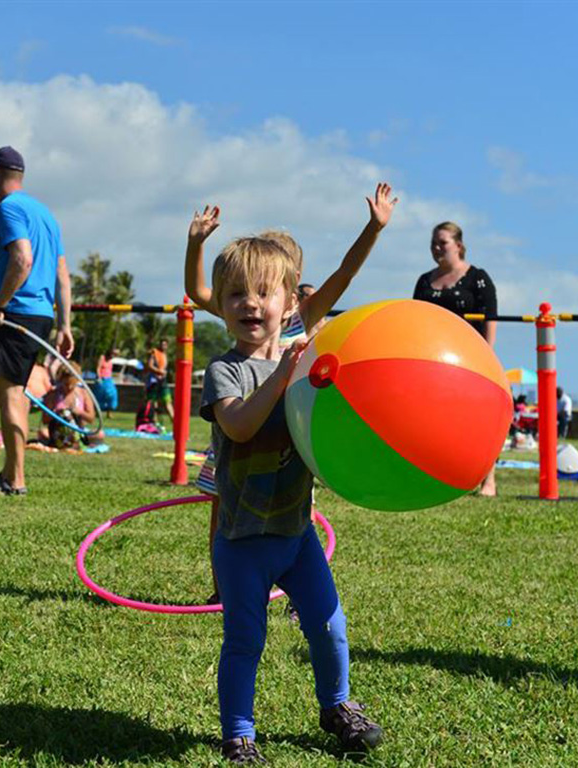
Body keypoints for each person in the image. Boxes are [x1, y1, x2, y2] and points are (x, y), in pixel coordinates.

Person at [200, 236, 383, 764]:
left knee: (330, 625)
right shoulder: (225, 371)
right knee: (245, 641)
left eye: (262, 292)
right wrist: (282, 375)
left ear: (288, 302)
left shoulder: (307, 362)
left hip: (296, 533)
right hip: (241, 540)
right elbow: (238, 426)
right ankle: (238, 733)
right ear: (221, 306)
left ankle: (337, 707)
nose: (249, 303)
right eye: (235, 294)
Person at [186, 184, 398, 606]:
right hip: (240, 432)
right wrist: (195, 245)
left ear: (290, 286)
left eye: (267, 287)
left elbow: (344, 274)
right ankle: (225, 587)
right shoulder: (241, 314)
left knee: (297, 513)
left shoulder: (301, 318)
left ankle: (297, 588)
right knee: (225, 510)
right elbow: (198, 293)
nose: (253, 299)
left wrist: (373, 229)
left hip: (288, 441)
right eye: (245, 287)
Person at [0, 146, 73, 495]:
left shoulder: (9, 208)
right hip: (42, 315)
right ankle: (9, 473)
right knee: (19, 394)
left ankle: (15, 479)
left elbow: (22, 260)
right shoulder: (46, 214)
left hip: (17, 313)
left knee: (9, 394)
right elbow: (61, 273)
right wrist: (65, 325)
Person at [413, 221, 499, 495]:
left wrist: (487, 359)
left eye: (442, 242)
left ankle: (489, 479)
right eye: (433, 243)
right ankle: (431, 472)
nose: (436, 248)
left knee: (480, 419)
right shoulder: (425, 281)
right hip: (430, 361)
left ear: (458, 246)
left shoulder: (479, 278)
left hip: (471, 361)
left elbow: (490, 321)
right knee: (428, 418)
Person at [145, 339, 174, 426]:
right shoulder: (154, 352)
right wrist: (158, 371)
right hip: (153, 382)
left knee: (167, 401)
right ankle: (154, 424)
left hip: (163, 381)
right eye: (162, 344)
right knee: (153, 403)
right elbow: (149, 365)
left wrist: (162, 373)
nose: (163, 346)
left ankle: (175, 423)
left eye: (165, 345)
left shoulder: (164, 355)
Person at [96, 347, 119, 417]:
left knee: (112, 395)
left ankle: (109, 412)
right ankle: (98, 412)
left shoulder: (111, 361)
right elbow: (98, 367)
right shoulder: (102, 357)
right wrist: (99, 377)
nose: (114, 356)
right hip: (101, 379)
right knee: (100, 396)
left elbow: (109, 371)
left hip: (109, 379)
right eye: (114, 354)